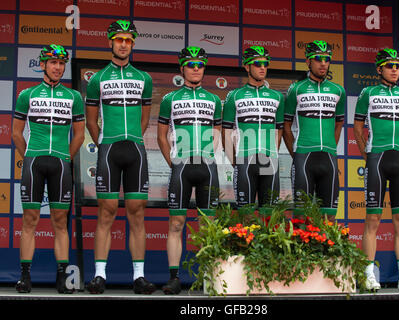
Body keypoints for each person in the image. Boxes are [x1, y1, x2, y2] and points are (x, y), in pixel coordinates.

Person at [85, 20, 155, 294]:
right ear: (110, 42)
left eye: (128, 40)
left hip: (135, 150)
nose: (123, 44)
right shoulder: (98, 79)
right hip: (109, 150)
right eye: (118, 39)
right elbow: (92, 122)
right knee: (107, 212)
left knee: (137, 214)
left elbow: (145, 118)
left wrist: (132, 138)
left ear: (133, 43)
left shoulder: (144, 78)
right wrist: (104, 144)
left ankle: (139, 276)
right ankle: (99, 275)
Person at [12, 44, 85, 293]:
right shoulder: (27, 95)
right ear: (43, 64)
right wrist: (30, 156)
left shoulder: (73, 97)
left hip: (61, 164)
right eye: (53, 62)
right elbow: (16, 132)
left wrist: (66, 158)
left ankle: (62, 277)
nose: (58, 67)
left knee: (60, 221)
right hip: (34, 161)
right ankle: (25, 276)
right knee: (30, 220)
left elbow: (79, 135)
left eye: (62, 63)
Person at [354, 48, 399, 292]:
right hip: (377, 159)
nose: (395, 69)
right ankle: (368, 275)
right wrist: (367, 154)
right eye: (390, 65)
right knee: (372, 219)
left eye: (398, 66)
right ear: (379, 68)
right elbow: (357, 127)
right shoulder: (367, 93)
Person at [157, 46, 222, 294]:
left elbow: (217, 132)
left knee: (209, 224)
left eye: (200, 65)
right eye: (191, 64)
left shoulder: (214, 100)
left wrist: (210, 155)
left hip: (207, 165)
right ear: (182, 68)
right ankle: (174, 278)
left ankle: (208, 278)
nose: (196, 69)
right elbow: (161, 136)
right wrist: (173, 162)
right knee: (176, 223)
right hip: (181, 166)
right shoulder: (169, 99)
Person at [283, 40, 346, 220]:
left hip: (328, 158)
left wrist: (331, 148)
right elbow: (286, 127)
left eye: (327, 59)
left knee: (329, 218)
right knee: (302, 218)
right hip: (303, 156)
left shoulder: (338, 91)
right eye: (318, 59)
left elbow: (338, 124)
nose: (323, 63)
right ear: (308, 61)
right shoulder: (296, 89)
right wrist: (296, 153)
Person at [222, 46, 284, 215]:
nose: (262, 67)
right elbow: (225, 131)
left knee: (270, 218)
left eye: (265, 63)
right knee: (245, 218)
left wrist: (272, 154)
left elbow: (279, 130)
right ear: (247, 67)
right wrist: (235, 162)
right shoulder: (234, 96)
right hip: (244, 161)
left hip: (269, 160)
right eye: (257, 63)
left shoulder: (277, 96)